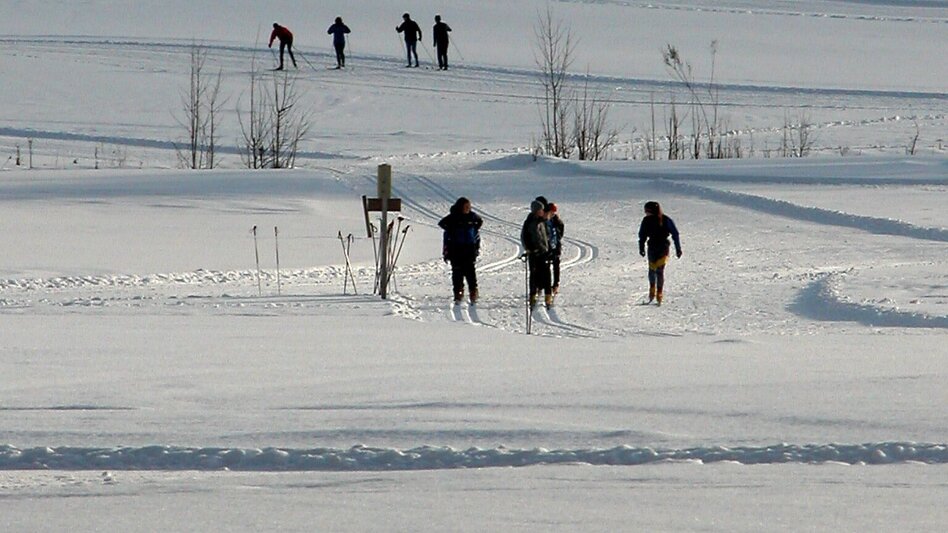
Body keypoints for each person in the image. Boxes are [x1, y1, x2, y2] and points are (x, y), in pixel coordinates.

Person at [439, 197, 483, 304]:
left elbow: (479, 222)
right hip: (456, 249)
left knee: (470, 272)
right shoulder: (453, 217)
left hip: (469, 248)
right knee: (457, 272)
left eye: (469, 207)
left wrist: (475, 230)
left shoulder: (472, 216)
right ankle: (458, 292)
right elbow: (442, 223)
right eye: (466, 207)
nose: (468, 209)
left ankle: (473, 291)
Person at [637, 201, 682, 305]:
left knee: (658, 270)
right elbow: (642, 234)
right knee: (654, 269)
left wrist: (678, 248)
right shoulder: (648, 220)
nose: (646, 213)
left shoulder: (664, 220)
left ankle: (658, 292)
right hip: (654, 247)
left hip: (661, 247)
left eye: (647, 211)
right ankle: (653, 291)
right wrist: (641, 247)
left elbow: (675, 234)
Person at [521, 200, 553, 309]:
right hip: (536, 253)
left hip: (543, 252)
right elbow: (529, 238)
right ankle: (533, 295)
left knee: (546, 274)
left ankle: (547, 296)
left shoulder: (541, 221)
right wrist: (532, 249)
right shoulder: (531, 222)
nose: (542, 212)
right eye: (540, 210)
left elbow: (545, 237)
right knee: (534, 275)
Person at [546, 202, 564, 295]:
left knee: (556, 265)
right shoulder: (546, 221)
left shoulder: (557, 221)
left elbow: (560, 233)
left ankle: (556, 284)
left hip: (556, 246)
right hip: (548, 247)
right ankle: (546, 285)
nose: (553, 213)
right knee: (546, 266)